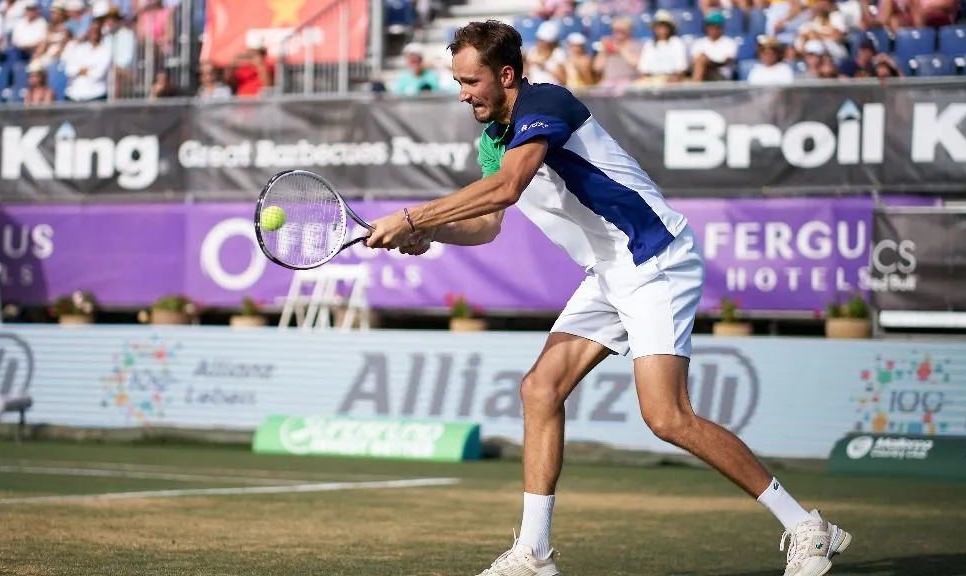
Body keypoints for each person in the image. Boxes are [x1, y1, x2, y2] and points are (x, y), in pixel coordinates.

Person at [363, 19, 853, 576]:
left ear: (507, 74)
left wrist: (411, 216)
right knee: (540, 389)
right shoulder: (494, 138)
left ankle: (807, 527)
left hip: (655, 260)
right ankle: (534, 555)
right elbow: (487, 224)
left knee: (667, 416)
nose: (462, 93)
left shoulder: (547, 103)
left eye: (471, 81)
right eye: (458, 82)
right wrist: (430, 233)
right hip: (607, 273)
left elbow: (506, 187)